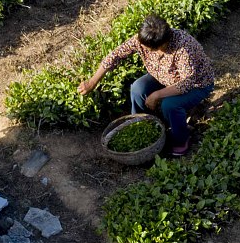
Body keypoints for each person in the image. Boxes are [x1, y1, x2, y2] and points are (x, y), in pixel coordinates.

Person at [79, 15, 214, 156]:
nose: (144, 49)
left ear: (162, 44)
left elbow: (187, 83)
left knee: (170, 105)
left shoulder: (184, 47)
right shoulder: (144, 39)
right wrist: (93, 81)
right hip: (162, 77)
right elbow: (116, 55)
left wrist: (156, 95)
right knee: (137, 88)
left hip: (196, 85)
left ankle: (181, 139)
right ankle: (141, 124)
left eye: (149, 49)